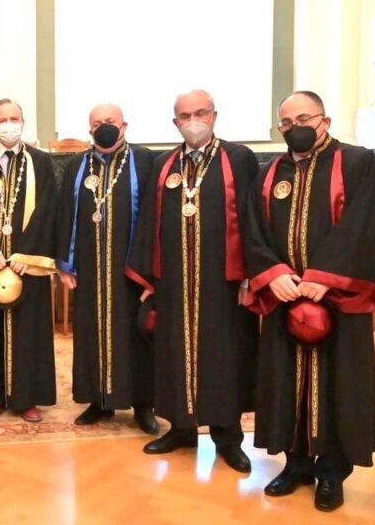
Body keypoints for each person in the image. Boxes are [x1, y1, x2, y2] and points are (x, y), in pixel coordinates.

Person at [243, 91, 375, 512]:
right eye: (286, 123)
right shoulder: (269, 172)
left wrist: (324, 277)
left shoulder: (356, 162)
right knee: (284, 382)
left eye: (303, 119)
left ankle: (331, 472)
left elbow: (364, 224)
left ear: (324, 121)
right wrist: (274, 274)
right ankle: (295, 464)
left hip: (339, 300)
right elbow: (252, 229)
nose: (295, 128)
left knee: (337, 384)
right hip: (285, 299)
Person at [126, 89, 259, 473]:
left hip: (223, 284)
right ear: (175, 122)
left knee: (224, 358)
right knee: (174, 355)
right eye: (185, 116)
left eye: (200, 113)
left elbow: (253, 217)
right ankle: (181, 430)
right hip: (174, 283)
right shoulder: (164, 164)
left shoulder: (238, 158)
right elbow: (149, 221)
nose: (193, 121)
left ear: (214, 116)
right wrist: (149, 278)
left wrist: (250, 274)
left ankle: (228, 438)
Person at [57, 103, 158, 434]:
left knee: (135, 337)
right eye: (98, 122)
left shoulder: (144, 161)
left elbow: (155, 217)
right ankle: (98, 401)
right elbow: (65, 215)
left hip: (132, 270)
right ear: (90, 129)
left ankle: (143, 405)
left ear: (124, 126)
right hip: (89, 268)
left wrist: (151, 272)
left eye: (110, 121)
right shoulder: (77, 165)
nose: (104, 126)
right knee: (92, 333)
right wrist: (65, 264)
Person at [0, 99, 56, 422]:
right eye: (2, 120)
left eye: (14, 118)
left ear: (23, 122)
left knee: (27, 333)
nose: (8, 125)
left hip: (27, 266)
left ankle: (26, 399)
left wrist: (26, 253)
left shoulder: (41, 162)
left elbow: (48, 210)